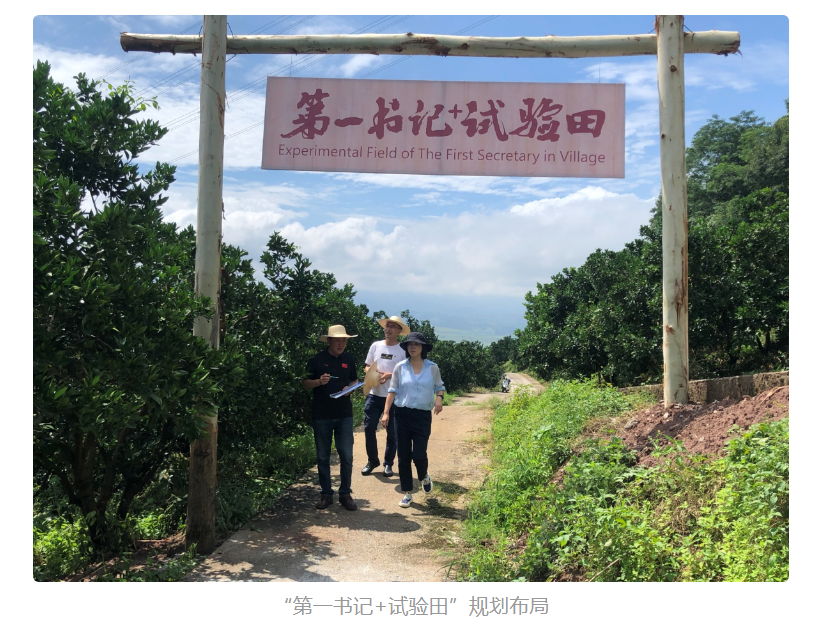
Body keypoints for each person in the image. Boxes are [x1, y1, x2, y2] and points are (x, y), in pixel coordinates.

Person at [381, 332, 445, 508]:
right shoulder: (400, 367)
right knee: (403, 456)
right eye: (410, 344)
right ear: (406, 347)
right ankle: (407, 493)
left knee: (418, 454)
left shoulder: (432, 368)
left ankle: (424, 476)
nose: (413, 347)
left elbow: (439, 386)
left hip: (422, 416)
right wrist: (386, 413)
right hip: (402, 415)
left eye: (416, 344)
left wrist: (439, 398)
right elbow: (392, 390)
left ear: (423, 347)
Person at [302, 325, 360, 511]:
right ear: (329, 341)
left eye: (344, 341)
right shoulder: (316, 360)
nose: (341, 344)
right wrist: (319, 382)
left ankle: (345, 494)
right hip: (322, 414)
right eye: (338, 341)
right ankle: (326, 494)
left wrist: (350, 388)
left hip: (344, 414)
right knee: (323, 456)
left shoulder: (349, 359)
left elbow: (355, 380)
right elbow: (304, 383)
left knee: (347, 455)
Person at [361, 316, 410, 478]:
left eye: (393, 327)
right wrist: (371, 372)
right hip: (374, 394)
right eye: (387, 326)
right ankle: (372, 460)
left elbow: (407, 373)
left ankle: (388, 463)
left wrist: (390, 375)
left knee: (392, 432)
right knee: (369, 427)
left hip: (394, 396)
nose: (388, 329)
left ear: (399, 331)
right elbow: (367, 365)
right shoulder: (376, 346)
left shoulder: (402, 350)